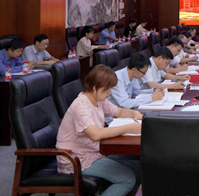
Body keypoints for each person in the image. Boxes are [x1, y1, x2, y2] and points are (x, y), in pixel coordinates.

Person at [56, 65, 142, 196]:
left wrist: (134, 113)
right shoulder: (81, 105)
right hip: (75, 159)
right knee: (127, 179)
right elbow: (95, 134)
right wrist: (129, 127)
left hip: (94, 152)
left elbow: (118, 112)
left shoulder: (98, 99)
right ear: (95, 87)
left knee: (137, 167)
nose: (109, 93)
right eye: (107, 89)